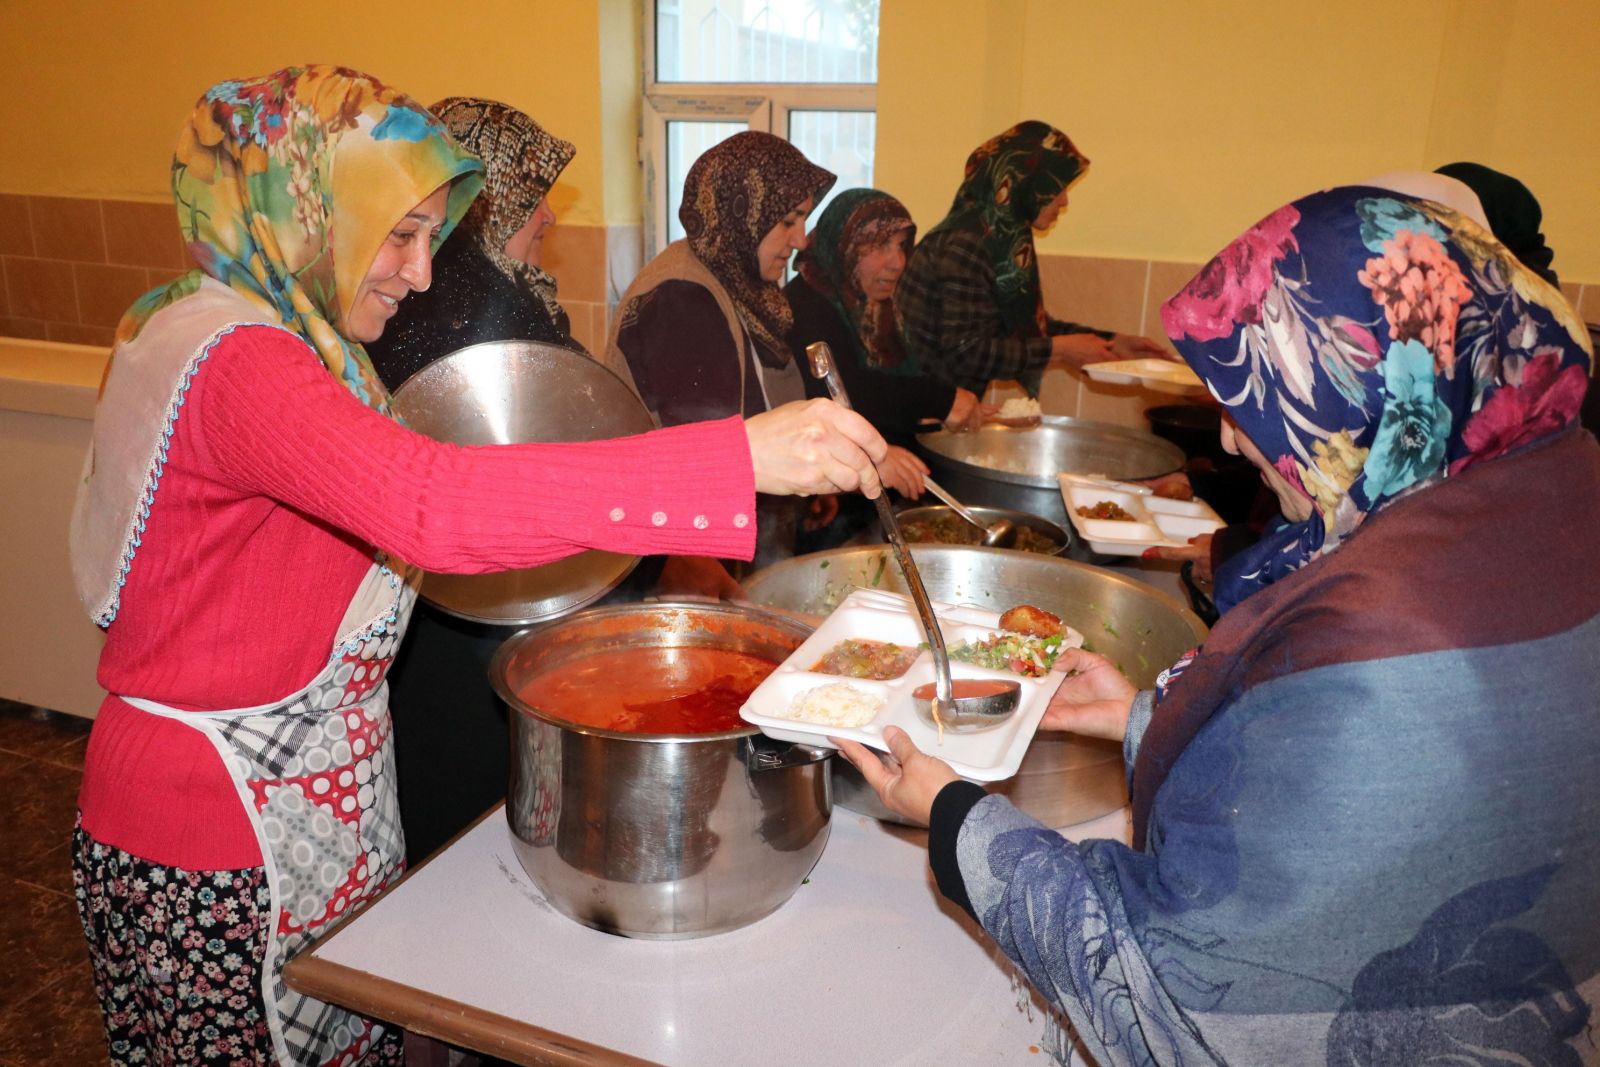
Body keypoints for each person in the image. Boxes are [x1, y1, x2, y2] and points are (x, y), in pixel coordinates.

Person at [68, 67, 885, 1067]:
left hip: (302, 799)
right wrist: (735, 457)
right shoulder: (241, 359)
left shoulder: (287, 334)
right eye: (398, 232)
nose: (418, 273)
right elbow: (430, 506)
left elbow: (454, 475)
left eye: (431, 237)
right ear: (306, 212)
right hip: (216, 826)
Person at [837, 183, 1600, 1064]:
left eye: (1259, 394)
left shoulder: (1380, 641)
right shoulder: (1539, 501)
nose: (1236, 443)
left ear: (1360, 385)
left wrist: (954, 817)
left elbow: (1170, 994)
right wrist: (1145, 715)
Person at [360, 97, 588, 866]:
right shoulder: (460, 308)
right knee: (473, 838)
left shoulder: (495, 293)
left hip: (458, 623)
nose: (551, 213)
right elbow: (534, 475)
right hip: (463, 633)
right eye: (534, 190)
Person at [605, 130, 848, 594]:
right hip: (678, 568)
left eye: (804, 220)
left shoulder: (740, 282)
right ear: (744, 214)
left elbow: (757, 406)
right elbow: (702, 461)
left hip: (729, 550)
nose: (799, 239)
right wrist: (721, 592)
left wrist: (806, 484)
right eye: (787, 221)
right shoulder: (681, 298)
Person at [896, 120, 1168, 399]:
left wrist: (1111, 343)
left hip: (946, 411)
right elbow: (966, 352)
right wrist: (1061, 350)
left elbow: (1024, 324)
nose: (1063, 201)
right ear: (1024, 182)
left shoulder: (1001, 238)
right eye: (1057, 187)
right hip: (921, 416)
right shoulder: (965, 244)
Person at [785, 188, 982, 546]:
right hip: (825, 513)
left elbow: (895, 378)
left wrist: (937, 408)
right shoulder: (806, 309)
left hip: (868, 499)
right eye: (879, 246)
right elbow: (840, 398)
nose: (898, 261)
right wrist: (939, 399)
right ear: (843, 247)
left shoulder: (873, 309)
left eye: (902, 245)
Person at [366, 96, 581, 390]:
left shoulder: (478, 290)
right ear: (485, 199)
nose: (549, 216)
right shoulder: (474, 309)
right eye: (530, 196)